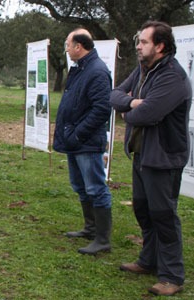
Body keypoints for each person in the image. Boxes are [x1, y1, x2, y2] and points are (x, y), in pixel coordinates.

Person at [110, 21, 191, 296]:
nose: (138, 45)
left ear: (160, 46)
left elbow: (149, 114)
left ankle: (172, 276)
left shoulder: (172, 77)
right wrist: (131, 102)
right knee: (143, 210)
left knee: (163, 215)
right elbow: (115, 94)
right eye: (139, 41)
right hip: (142, 155)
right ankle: (148, 260)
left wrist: (128, 113)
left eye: (143, 42)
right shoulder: (143, 71)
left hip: (164, 158)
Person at [53, 28, 113, 255]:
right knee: (80, 186)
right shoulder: (79, 69)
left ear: (79, 46)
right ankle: (90, 228)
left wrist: (78, 134)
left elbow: (101, 109)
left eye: (68, 44)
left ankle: (102, 239)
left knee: (96, 187)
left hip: (85, 141)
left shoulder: (97, 72)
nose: (66, 48)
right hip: (74, 140)